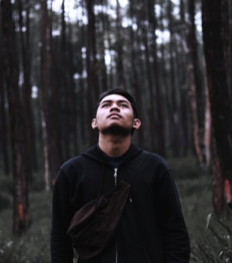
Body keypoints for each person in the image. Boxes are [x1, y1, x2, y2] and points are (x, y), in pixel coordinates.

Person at [50, 88, 190, 263]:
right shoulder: (72, 172)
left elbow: (176, 235)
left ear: (136, 123)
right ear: (94, 122)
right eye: (106, 105)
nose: (114, 108)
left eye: (123, 105)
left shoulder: (155, 167)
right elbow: (60, 241)